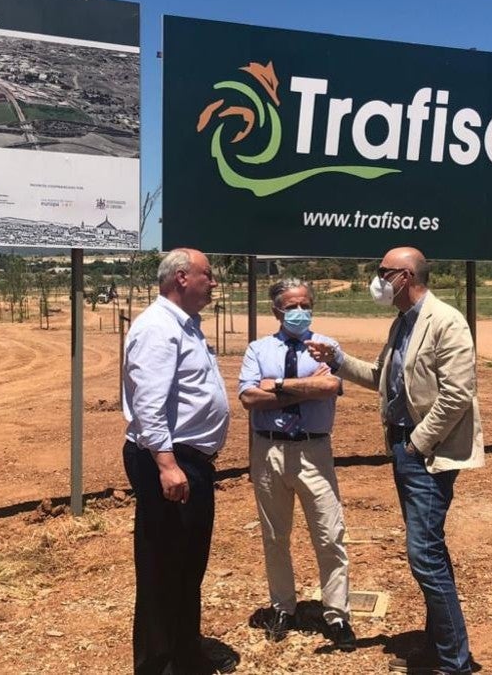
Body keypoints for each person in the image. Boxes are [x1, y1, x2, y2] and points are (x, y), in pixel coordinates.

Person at [308, 247, 484, 675]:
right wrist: (338, 360)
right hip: (405, 448)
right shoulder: (402, 323)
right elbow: (383, 380)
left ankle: (456, 662)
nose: (377, 279)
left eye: (383, 272)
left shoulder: (446, 321)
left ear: (405, 277)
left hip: (428, 452)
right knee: (428, 549)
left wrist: (418, 443)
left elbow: (458, 393)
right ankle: (439, 643)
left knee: (424, 553)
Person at [122, 248, 236, 675]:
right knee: (162, 566)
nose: (214, 282)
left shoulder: (184, 325)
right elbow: (148, 405)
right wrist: (167, 465)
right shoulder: (157, 328)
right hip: (169, 461)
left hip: (191, 461)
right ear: (182, 278)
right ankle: (160, 664)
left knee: (187, 565)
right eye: (208, 275)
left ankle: (186, 655)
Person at [238, 278, 357, 651]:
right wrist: (303, 386)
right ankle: (283, 608)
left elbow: (330, 387)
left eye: (305, 304)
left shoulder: (326, 348)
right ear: (277, 311)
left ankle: (336, 615)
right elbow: (248, 397)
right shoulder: (257, 349)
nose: (300, 311)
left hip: (313, 451)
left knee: (329, 535)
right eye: (292, 306)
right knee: (275, 536)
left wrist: (276, 385)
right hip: (269, 451)